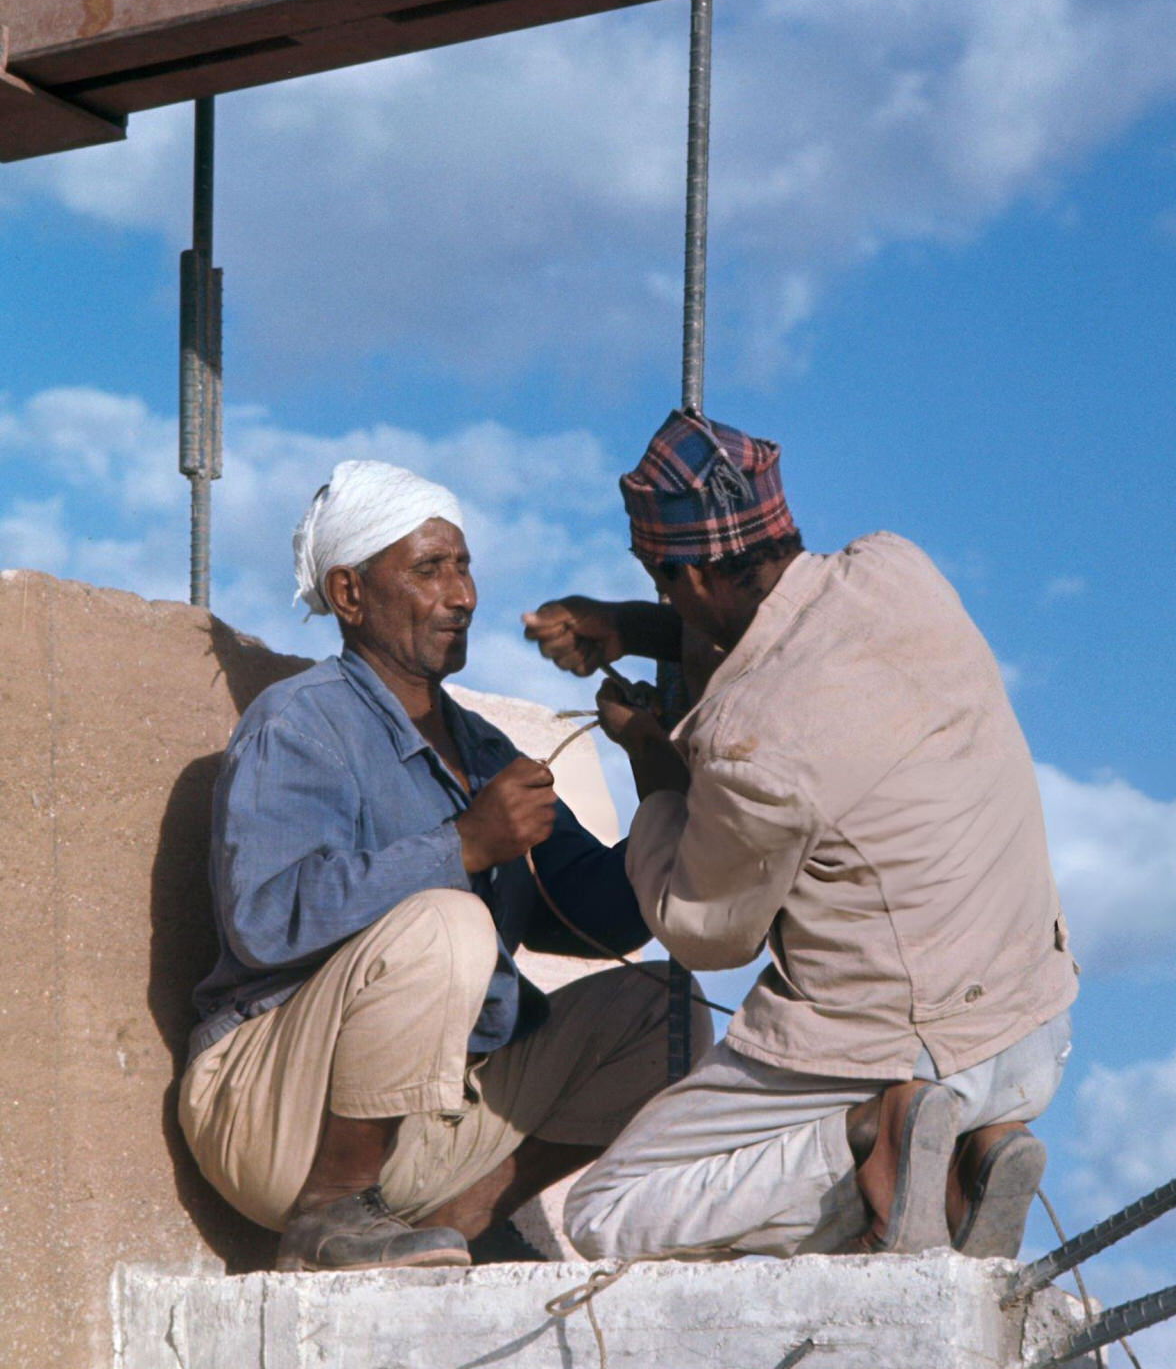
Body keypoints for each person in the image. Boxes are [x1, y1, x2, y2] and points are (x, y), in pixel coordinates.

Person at [523, 411, 1077, 1263]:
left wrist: (648, 756)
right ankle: (968, 1158)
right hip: (1031, 1034)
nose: (667, 598)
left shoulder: (755, 744)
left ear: (692, 577)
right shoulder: (897, 570)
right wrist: (634, 624)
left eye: (663, 581)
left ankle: (871, 1148)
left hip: (902, 1053)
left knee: (609, 1210)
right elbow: (780, 632)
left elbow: (704, 929)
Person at [179, 459, 706, 1273]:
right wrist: (461, 844)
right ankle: (326, 1217)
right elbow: (261, 916)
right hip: (273, 1109)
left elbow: (612, 916)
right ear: (350, 595)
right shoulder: (300, 722)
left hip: (427, 1118)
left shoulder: (485, 750)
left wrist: (650, 757)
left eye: (463, 565)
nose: (462, 594)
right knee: (447, 919)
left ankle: (468, 1215)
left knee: (665, 1007)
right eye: (430, 569)